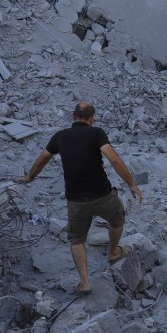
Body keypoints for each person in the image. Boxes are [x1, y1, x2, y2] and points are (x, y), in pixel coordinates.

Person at [21, 102, 144, 295]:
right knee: (117, 219)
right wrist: (131, 184)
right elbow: (113, 159)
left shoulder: (59, 136)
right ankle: (113, 252)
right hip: (103, 195)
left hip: (76, 200)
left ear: (73, 117)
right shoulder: (96, 133)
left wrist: (30, 177)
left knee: (77, 239)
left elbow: (42, 159)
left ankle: (85, 282)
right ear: (91, 119)